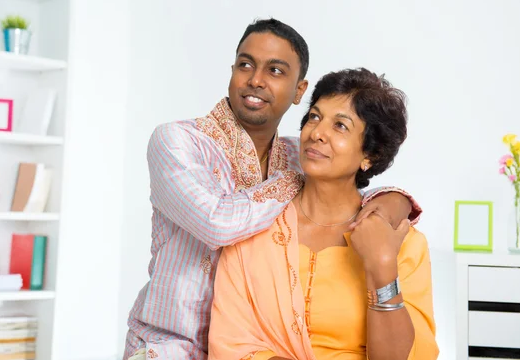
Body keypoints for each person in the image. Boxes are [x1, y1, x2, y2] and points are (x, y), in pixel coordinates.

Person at [124, 19, 423, 360]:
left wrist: (392, 201)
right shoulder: (178, 141)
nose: (255, 80)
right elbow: (217, 223)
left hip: (259, 346)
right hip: (171, 346)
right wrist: (297, 177)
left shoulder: (301, 152)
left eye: (276, 70)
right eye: (245, 64)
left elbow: (347, 181)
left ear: (299, 91)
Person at [208, 68, 438, 360]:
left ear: (371, 155)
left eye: (341, 126)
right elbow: (230, 345)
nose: (317, 133)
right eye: (314, 117)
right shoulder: (254, 225)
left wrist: (382, 267)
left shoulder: (404, 243)